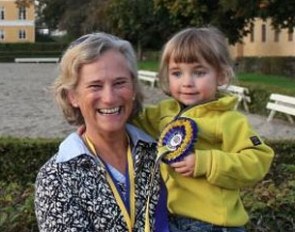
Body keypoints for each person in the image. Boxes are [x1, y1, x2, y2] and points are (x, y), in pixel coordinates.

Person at [133, 27, 274, 231]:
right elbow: (134, 121)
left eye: (199, 72)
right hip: (170, 218)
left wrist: (206, 162)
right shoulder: (164, 112)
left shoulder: (227, 120)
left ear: (222, 76)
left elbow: (258, 160)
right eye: (177, 73)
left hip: (213, 224)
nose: (187, 82)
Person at [34, 32, 169, 232]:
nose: (109, 98)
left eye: (119, 83)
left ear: (133, 88)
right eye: (95, 86)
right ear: (73, 96)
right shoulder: (56, 178)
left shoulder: (161, 153)